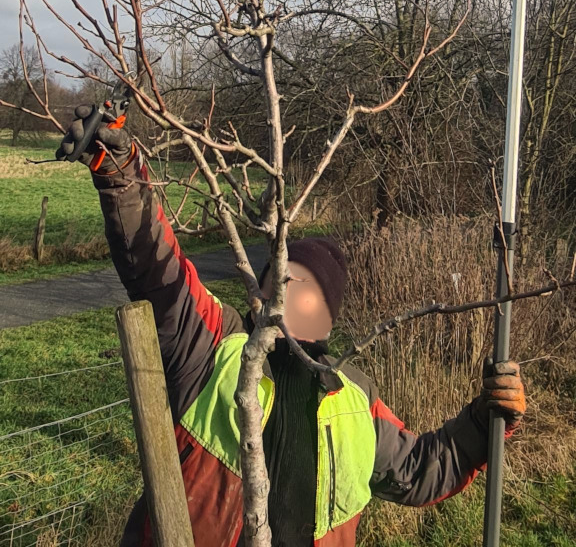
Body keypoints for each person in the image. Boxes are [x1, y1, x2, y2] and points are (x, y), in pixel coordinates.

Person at [58, 108, 526, 547]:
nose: (285, 296)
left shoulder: (354, 399)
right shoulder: (212, 347)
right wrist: (120, 172)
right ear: (258, 291)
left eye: (303, 289)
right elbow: (158, 273)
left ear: (327, 314)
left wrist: (487, 419)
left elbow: (422, 468)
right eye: (277, 282)